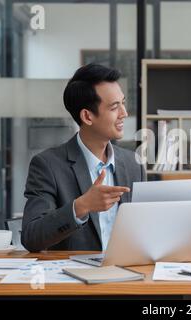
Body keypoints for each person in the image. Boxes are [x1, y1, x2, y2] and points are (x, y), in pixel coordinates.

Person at [22, 64, 145, 252]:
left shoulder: (133, 163)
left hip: (130, 274)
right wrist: (81, 205)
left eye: (123, 103)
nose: (124, 113)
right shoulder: (48, 165)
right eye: (114, 107)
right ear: (87, 116)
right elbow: (32, 237)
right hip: (74, 277)